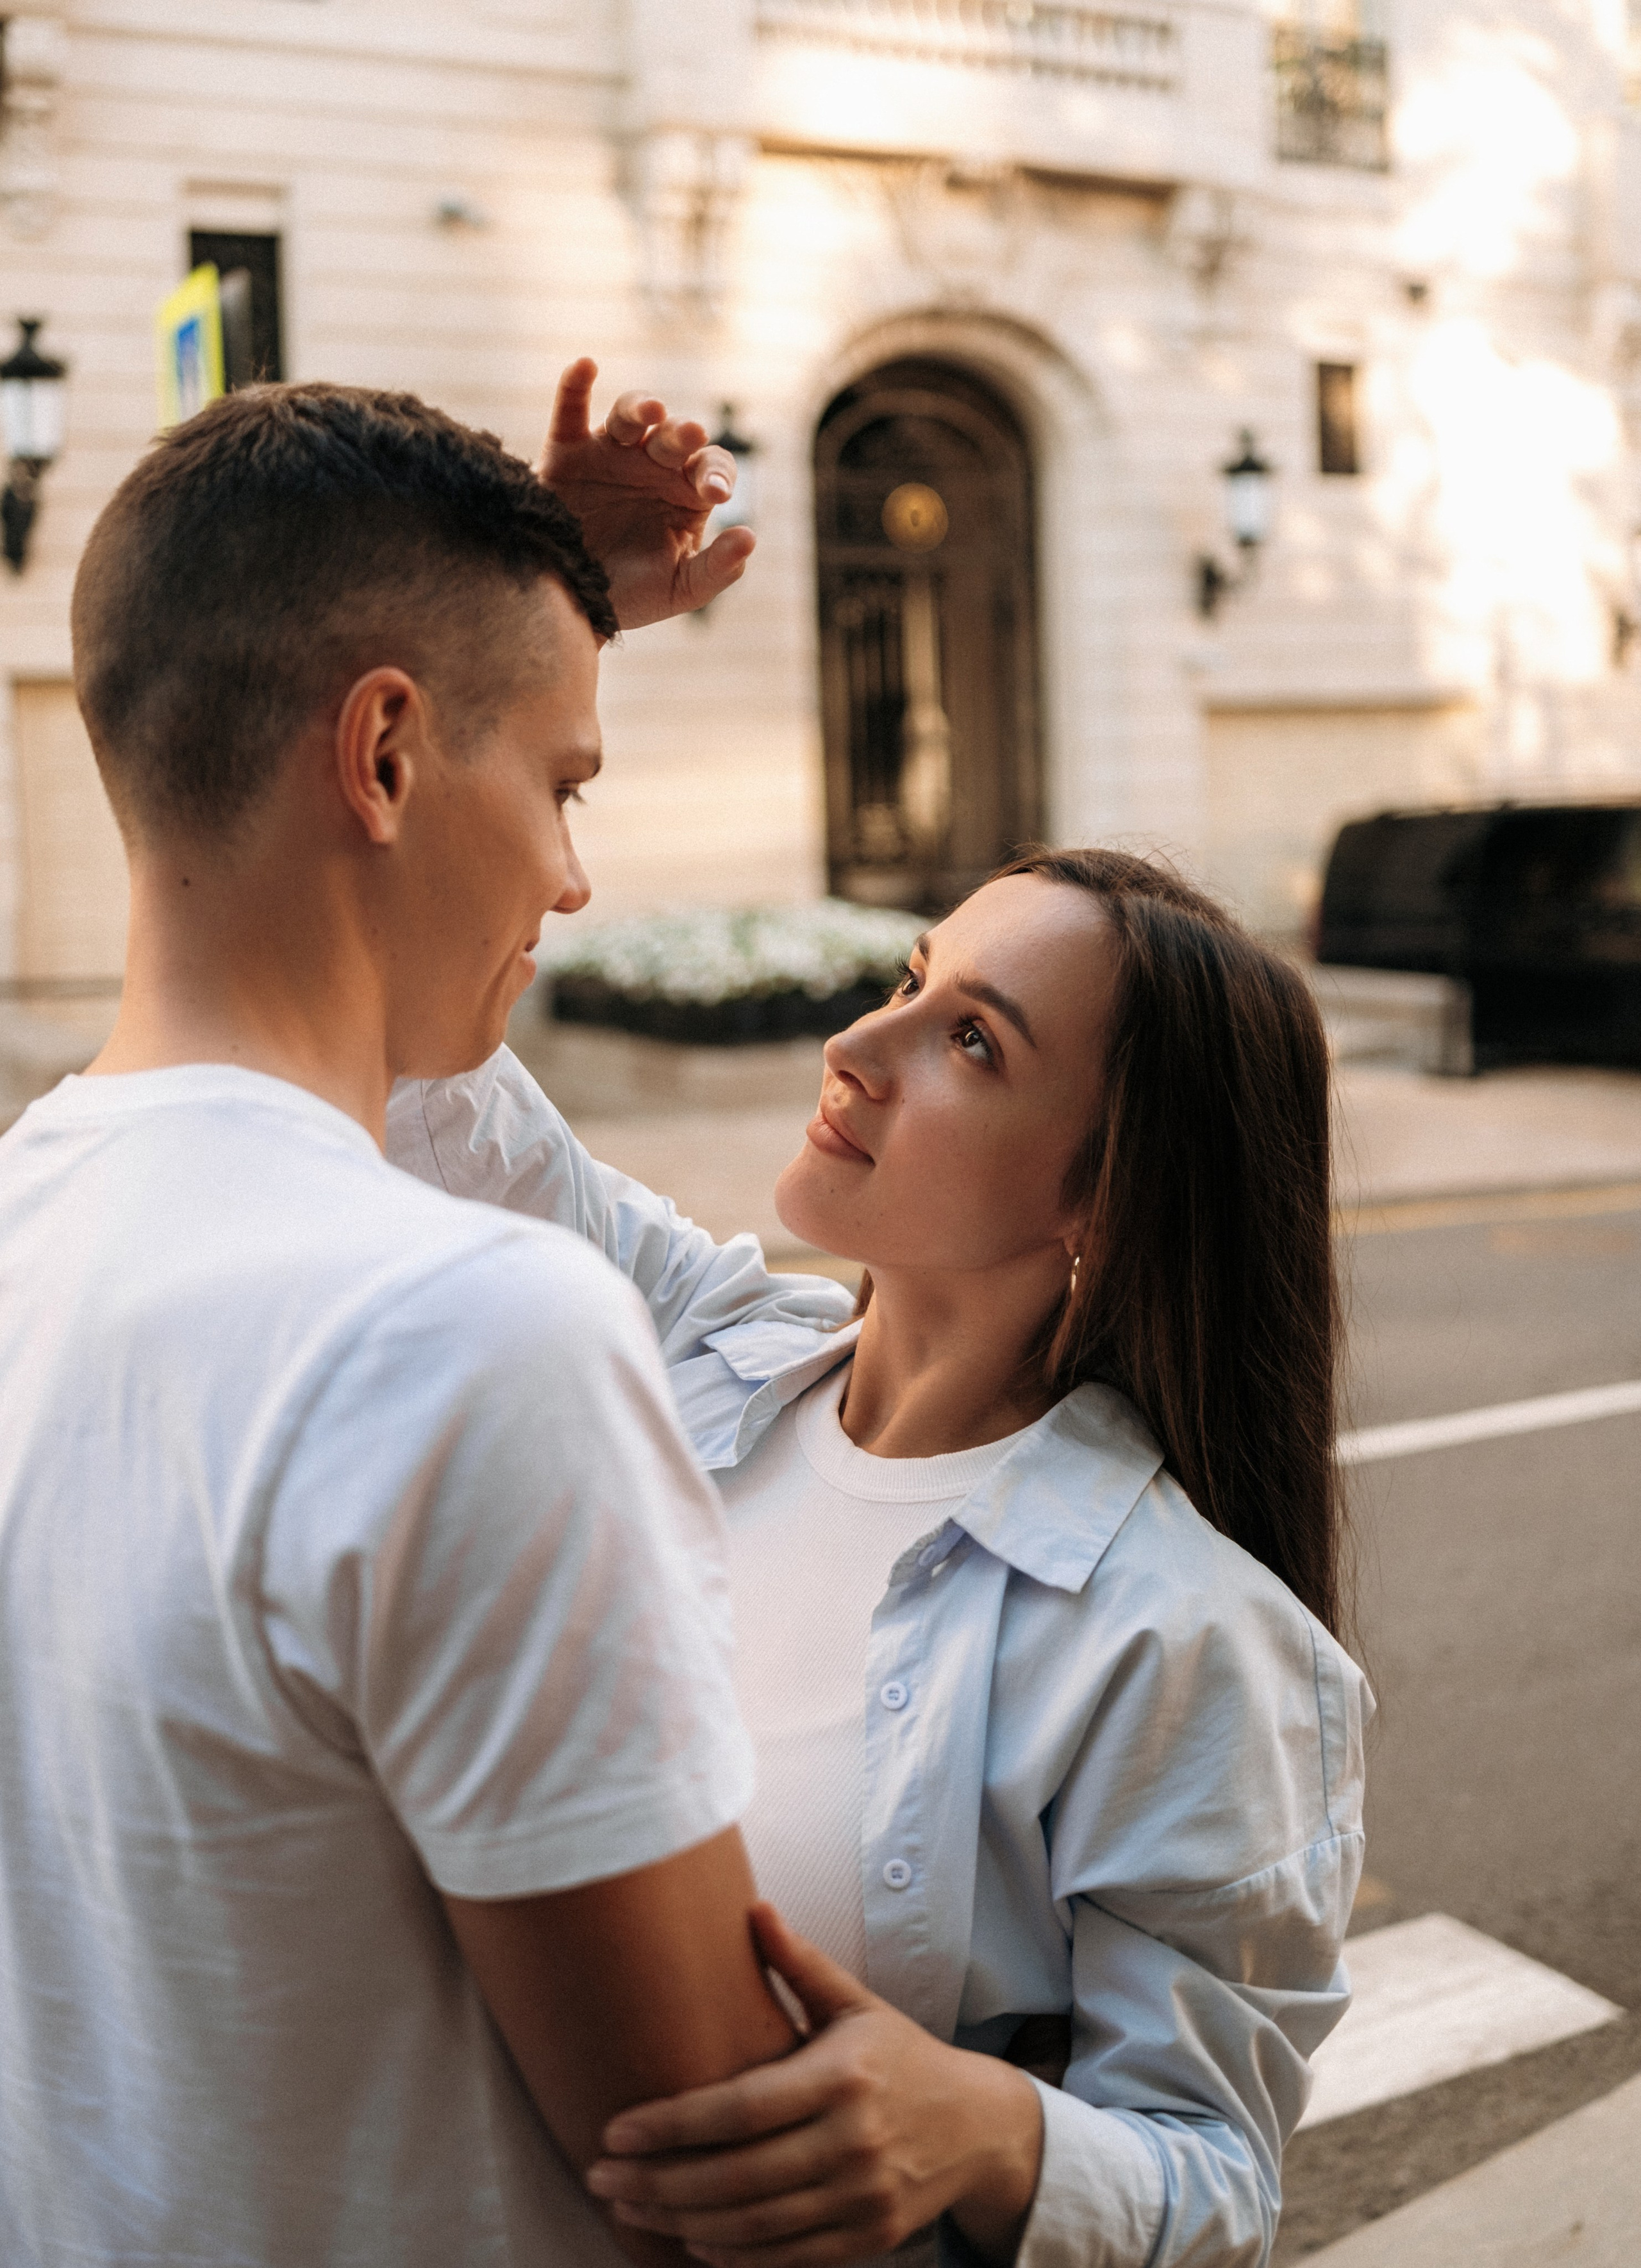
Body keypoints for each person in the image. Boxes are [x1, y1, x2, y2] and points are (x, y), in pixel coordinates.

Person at [0, 371, 861, 2267]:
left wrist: (525, 624)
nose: (570, 875)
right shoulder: (469, 1338)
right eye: (561, 786)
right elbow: (729, 2169)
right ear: (383, 754)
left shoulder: (33, 1235)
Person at [393, 849, 1372, 2268]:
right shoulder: (697, 1349)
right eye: (909, 980)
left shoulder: (1182, 1636)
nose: (853, 1046)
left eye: (969, 1039)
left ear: (1099, 1198)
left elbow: (1214, 2177)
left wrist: (982, 2124)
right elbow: (429, 1085)